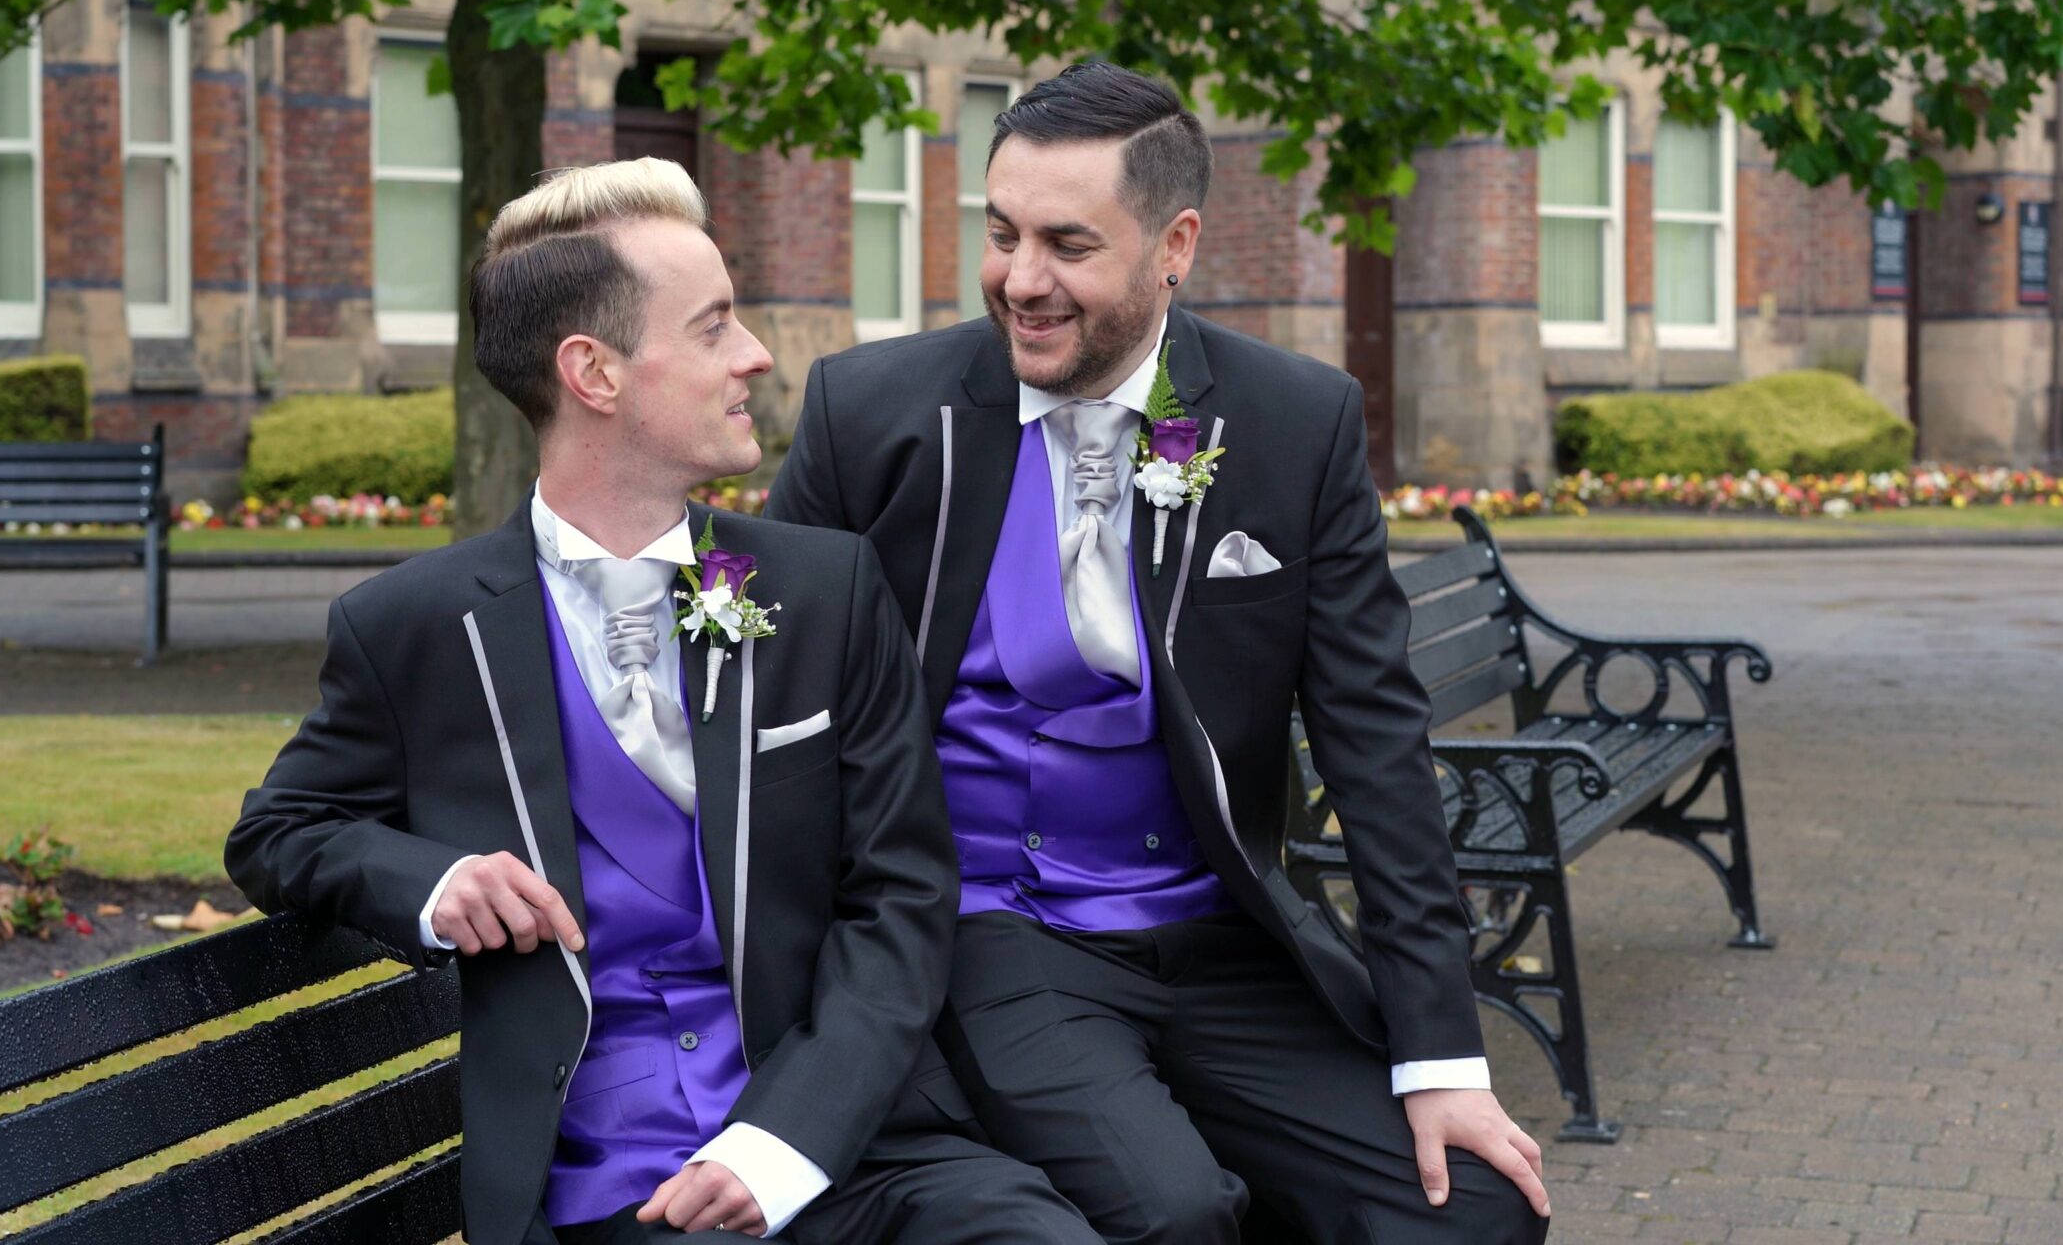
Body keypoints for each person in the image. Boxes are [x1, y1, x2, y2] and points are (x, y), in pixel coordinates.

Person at [227, 159, 1097, 1245]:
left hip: (849, 1155)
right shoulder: (413, 626)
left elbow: (903, 898)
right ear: (593, 372)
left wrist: (784, 1140)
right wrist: (437, 879)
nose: (756, 356)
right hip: (609, 1189)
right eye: (713, 327)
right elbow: (278, 834)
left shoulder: (826, 590)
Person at [764, 63, 1550, 1243]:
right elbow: (760, 694)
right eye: (1000, 234)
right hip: (989, 928)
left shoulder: (1293, 423)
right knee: (1175, 1215)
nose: (1020, 281)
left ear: (1174, 245)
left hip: (1215, 931)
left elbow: (1376, 747)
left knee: (1473, 1210)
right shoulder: (869, 415)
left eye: (1067, 245)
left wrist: (1441, 1055)